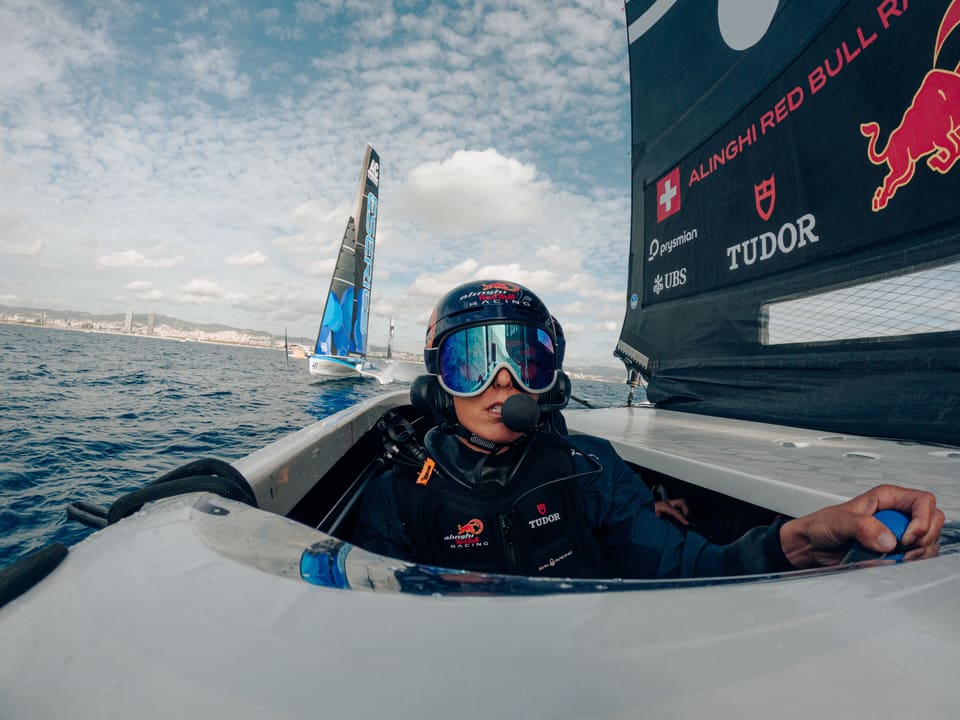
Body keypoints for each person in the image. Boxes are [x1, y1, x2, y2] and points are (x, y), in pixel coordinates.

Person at [353, 280, 944, 578]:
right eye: (472, 361)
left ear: (548, 381)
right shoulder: (400, 493)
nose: (501, 380)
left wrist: (804, 539)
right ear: (438, 381)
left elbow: (693, 567)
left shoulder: (591, 469)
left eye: (523, 359)